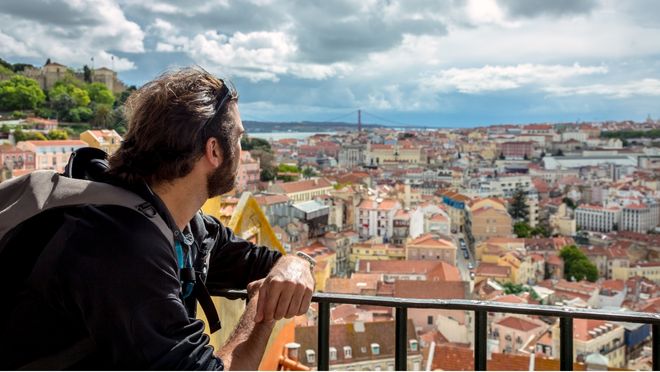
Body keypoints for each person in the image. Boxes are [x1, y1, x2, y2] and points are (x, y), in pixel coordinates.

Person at [0, 67, 315, 370]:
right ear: (214, 151)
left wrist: (295, 262)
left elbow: (254, 260)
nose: (243, 151)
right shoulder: (119, 244)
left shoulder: (182, 222)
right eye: (239, 139)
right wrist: (261, 313)